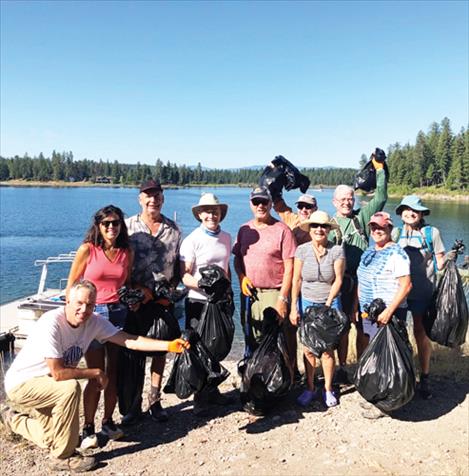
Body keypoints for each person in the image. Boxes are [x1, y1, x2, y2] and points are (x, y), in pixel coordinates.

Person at [2, 280, 188, 473]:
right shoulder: (51, 323)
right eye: (79, 303)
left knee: (54, 437)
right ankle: (63, 457)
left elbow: (129, 340)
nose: (84, 309)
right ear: (67, 301)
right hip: (23, 383)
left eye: (90, 305)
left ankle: (10, 418)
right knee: (69, 388)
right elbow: (58, 373)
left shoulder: (94, 322)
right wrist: (96, 372)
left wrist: (167, 345)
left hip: (47, 386)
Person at [66, 205, 133, 449]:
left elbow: (126, 282)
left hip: (117, 312)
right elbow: (72, 286)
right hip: (92, 313)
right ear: (98, 226)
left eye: (115, 223)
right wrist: (72, 318)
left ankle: (108, 421)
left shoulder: (126, 252)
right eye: (106, 223)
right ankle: (88, 427)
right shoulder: (87, 250)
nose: (111, 227)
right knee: (96, 372)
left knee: (113, 371)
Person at [123, 178, 182, 424]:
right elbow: (120, 264)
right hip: (134, 300)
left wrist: (171, 293)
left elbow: (178, 266)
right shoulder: (127, 227)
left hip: (162, 302)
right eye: (148, 195)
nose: (152, 200)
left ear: (162, 198)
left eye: (156, 195)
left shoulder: (174, 230)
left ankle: (155, 400)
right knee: (133, 352)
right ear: (140, 199)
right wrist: (134, 289)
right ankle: (132, 406)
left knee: (161, 350)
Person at [329, 151, 388, 382]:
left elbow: (381, 197)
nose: (346, 202)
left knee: (363, 327)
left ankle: (364, 367)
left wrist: (379, 168)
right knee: (341, 328)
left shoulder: (360, 219)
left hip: (363, 283)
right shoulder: (327, 224)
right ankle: (342, 368)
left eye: (350, 198)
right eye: (342, 199)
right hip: (338, 285)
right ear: (334, 202)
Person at [393, 195, 454, 399]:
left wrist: (451, 257)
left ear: (421, 214)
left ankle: (424, 377)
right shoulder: (395, 232)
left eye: (415, 210)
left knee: (421, 332)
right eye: (407, 210)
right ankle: (402, 376)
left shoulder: (431, 233)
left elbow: (439, 262)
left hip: (422, 291)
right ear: (401, 212)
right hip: (399, 292)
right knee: (398, 334)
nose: (410, 213)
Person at [179, 192, 234, 415]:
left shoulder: (227, 237)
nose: (212, 215)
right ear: (200, 215)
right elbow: (184, 276)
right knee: (199, 348)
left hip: (220, 301)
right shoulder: (192, 240)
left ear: (221, 214)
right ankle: (199, 396)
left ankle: (212, 390)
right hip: (198, 302)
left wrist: (227, 291)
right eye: (208, 211)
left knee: (218, 345)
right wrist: (205, 287)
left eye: (216, 211)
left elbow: (226, 268)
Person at [356, 212, 412, 418]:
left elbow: (406, 286)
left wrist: (389, 311)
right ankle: (377, 395)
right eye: (373, 228)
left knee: (386, 357)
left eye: (381, 228)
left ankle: (386, 405)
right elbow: (361, 281)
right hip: (369, 312)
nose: (377, 231)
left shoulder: (397, 254)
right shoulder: (369, 252)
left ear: (390, 229)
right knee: (375, 354)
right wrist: (359, 307)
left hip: (389, 312)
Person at [290, 211, 345, 408]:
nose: (319, 230)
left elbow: (338, 279)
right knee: (308, 349)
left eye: (323, 226)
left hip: (328, 303)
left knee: (328, 350)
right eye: (315, 226)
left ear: (329, 230)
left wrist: (328, 303)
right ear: (310, 229)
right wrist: (293, 307)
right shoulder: (302, 250)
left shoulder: (336, 250)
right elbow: (297, 280)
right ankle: (310, 387)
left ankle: (328, 389)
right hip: (307, 303)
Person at [233, 186, 296, 354]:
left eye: (264, 202)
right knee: (251, 338)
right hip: (250, 294)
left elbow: (290, 267)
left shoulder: (283, 230)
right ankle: (253, 376)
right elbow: (237, 259)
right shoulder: (243, 230)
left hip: (274, 293)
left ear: (270, 204)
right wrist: (241, 278)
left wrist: (282, 298)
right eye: (256, 202)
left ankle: (282, 378)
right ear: (251, 204)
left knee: (276, 341)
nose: (260, 206)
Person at [273, 193, 318, 381]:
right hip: (291, 283)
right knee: (290, 329)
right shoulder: (292, 219)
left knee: (310, 331)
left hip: (309, 285)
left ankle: (311, 374)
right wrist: (275, 176)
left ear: (315, 209)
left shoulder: (320, 226)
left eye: (308, 207)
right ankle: (292, 370)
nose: (304, 210)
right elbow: (278, 204)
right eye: (301, 206)